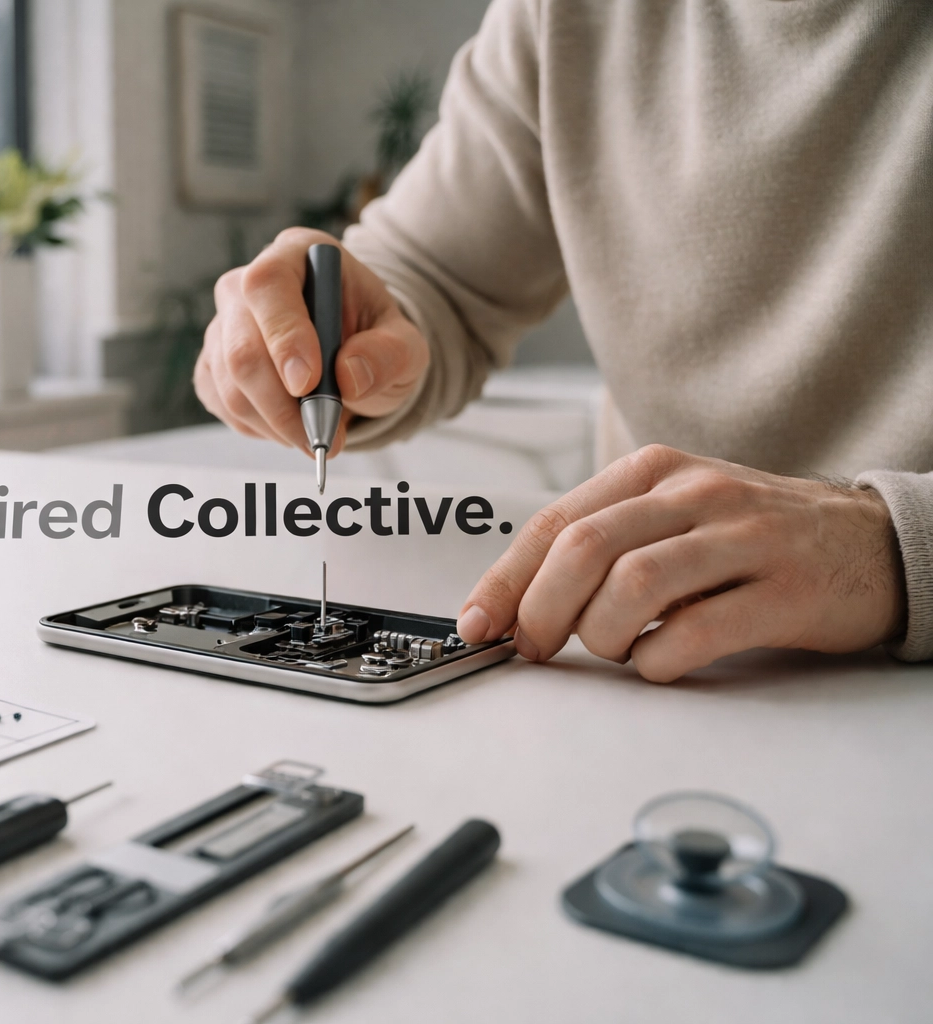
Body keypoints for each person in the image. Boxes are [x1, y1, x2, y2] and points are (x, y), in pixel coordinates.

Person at [194, 0, 932, 683]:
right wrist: (359, 343)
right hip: (636, 661)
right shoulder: (563, 15)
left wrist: (895, 548)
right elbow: (435, 278)